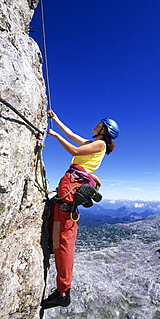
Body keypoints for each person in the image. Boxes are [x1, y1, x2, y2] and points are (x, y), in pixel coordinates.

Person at [41, 110, 119, 309]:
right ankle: (57, 264)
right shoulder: (96, 143)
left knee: (64, 238)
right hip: (70, 184)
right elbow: (73, 136)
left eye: (98, 124)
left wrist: (55, 135)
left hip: (72, 184)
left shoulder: (100, 144)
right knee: (59, 234)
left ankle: (63, 291)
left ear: (104, 130)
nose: (95, 125)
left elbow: (75, 151)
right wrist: (56, 120)